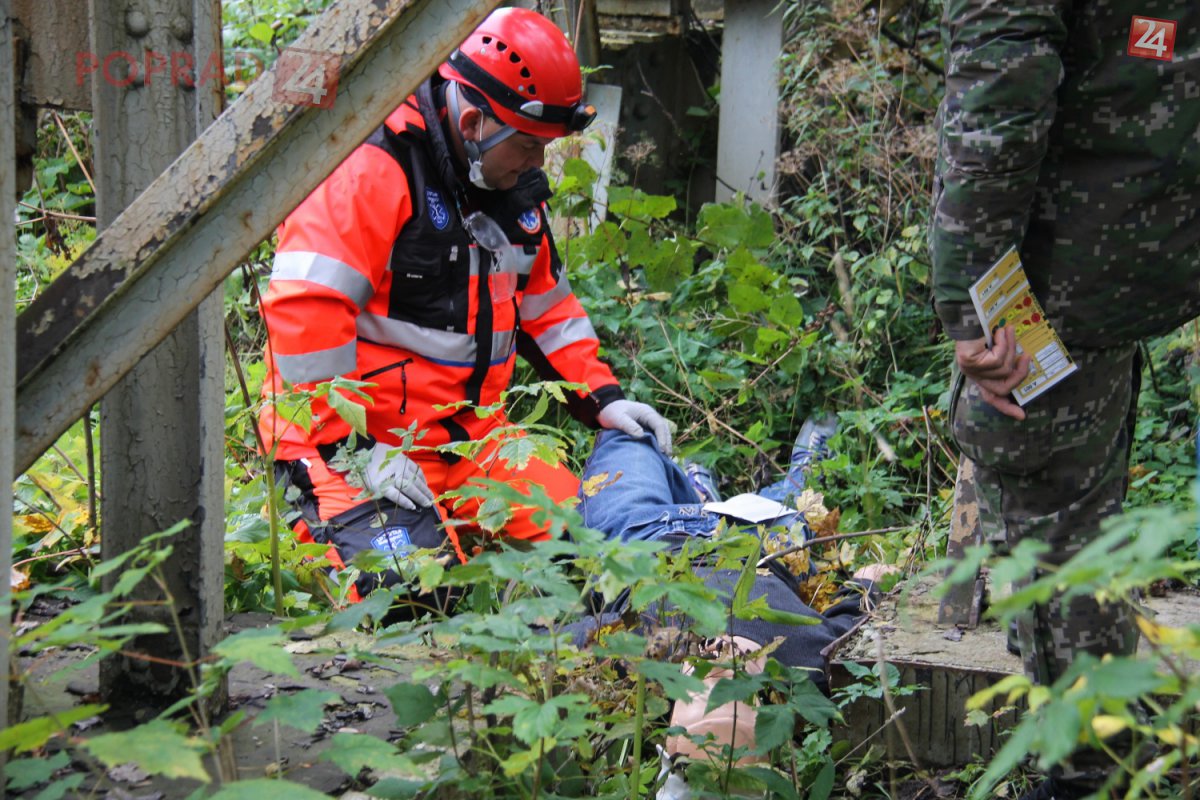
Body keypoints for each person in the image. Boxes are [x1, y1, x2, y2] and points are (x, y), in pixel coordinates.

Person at [257, 8, 672, 601]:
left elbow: (547, 310)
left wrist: (603, 399)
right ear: (474, 122)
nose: (538, 164)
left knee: (599, 552)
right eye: (528, 146)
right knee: (411, 602)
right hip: (346, 445)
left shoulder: (506, 183)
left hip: (473, 438)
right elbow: (307, 313)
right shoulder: (369, 164)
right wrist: (353, 449)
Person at [931, 3, 1200, 796]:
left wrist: (973, 299)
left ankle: (1085, 769)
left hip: (1061, 272)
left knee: (1053, 518)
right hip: (1140, 240)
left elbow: (998, 101)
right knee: (1078, 509)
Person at [574, 428, 891, 765]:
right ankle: (804, 465)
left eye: (701, 686)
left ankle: (698, 489)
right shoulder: (807, 668)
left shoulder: (637, 655)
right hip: (768, 545)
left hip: (647, 534)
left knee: (625, 433)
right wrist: (873, 581)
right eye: (729, 691)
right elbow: (861, 599)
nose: (720, 663)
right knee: (800, 496)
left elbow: (550, 645)